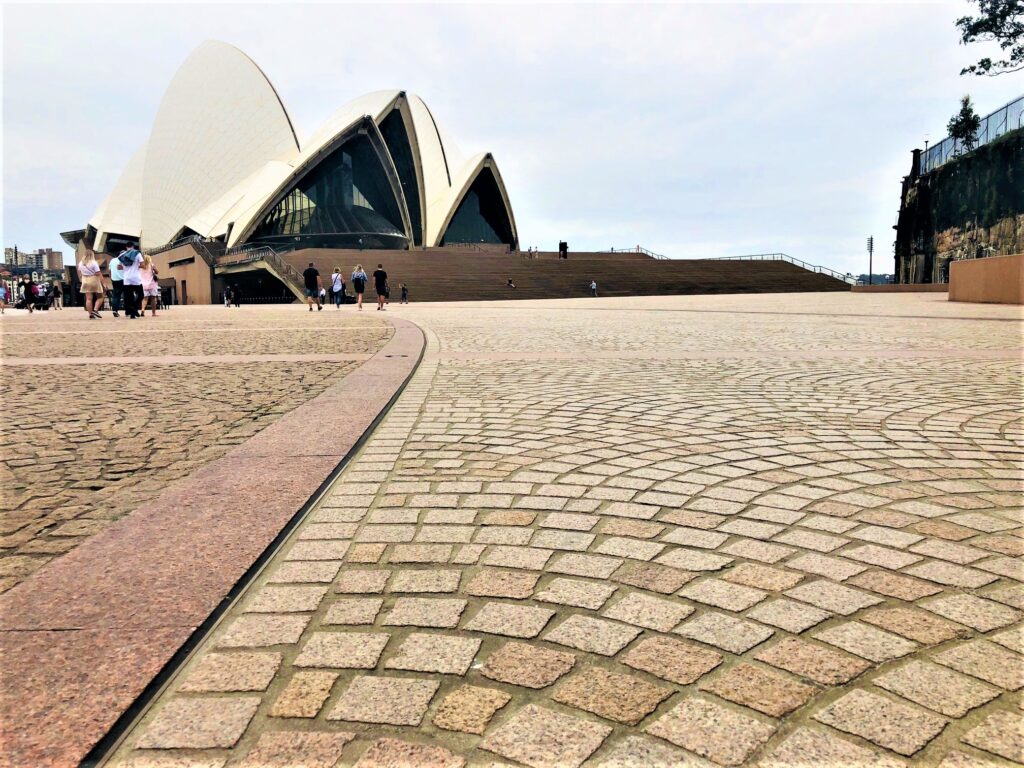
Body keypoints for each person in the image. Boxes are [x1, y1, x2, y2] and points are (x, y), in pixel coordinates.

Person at [78, 250, 105, 319]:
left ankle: (90, 314)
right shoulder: (94, 263)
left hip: (85, 281)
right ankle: (95, 310)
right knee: (100, 297)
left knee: (89, 299)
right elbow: (98, 273)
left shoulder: (81, 263)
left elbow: (80, 273)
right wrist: (103, 282)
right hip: (94, 280)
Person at [119, 243, 144, 319]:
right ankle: (134, 308)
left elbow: (118, 267)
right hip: (136, 278)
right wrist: (136, 266)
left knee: (129, 297)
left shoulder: (122, 255)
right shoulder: (137, 253)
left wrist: (125, 267)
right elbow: (142, 265)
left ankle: (132, 312)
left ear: (126, 247)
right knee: (141, 295)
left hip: (127, 278)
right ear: (133, 247)